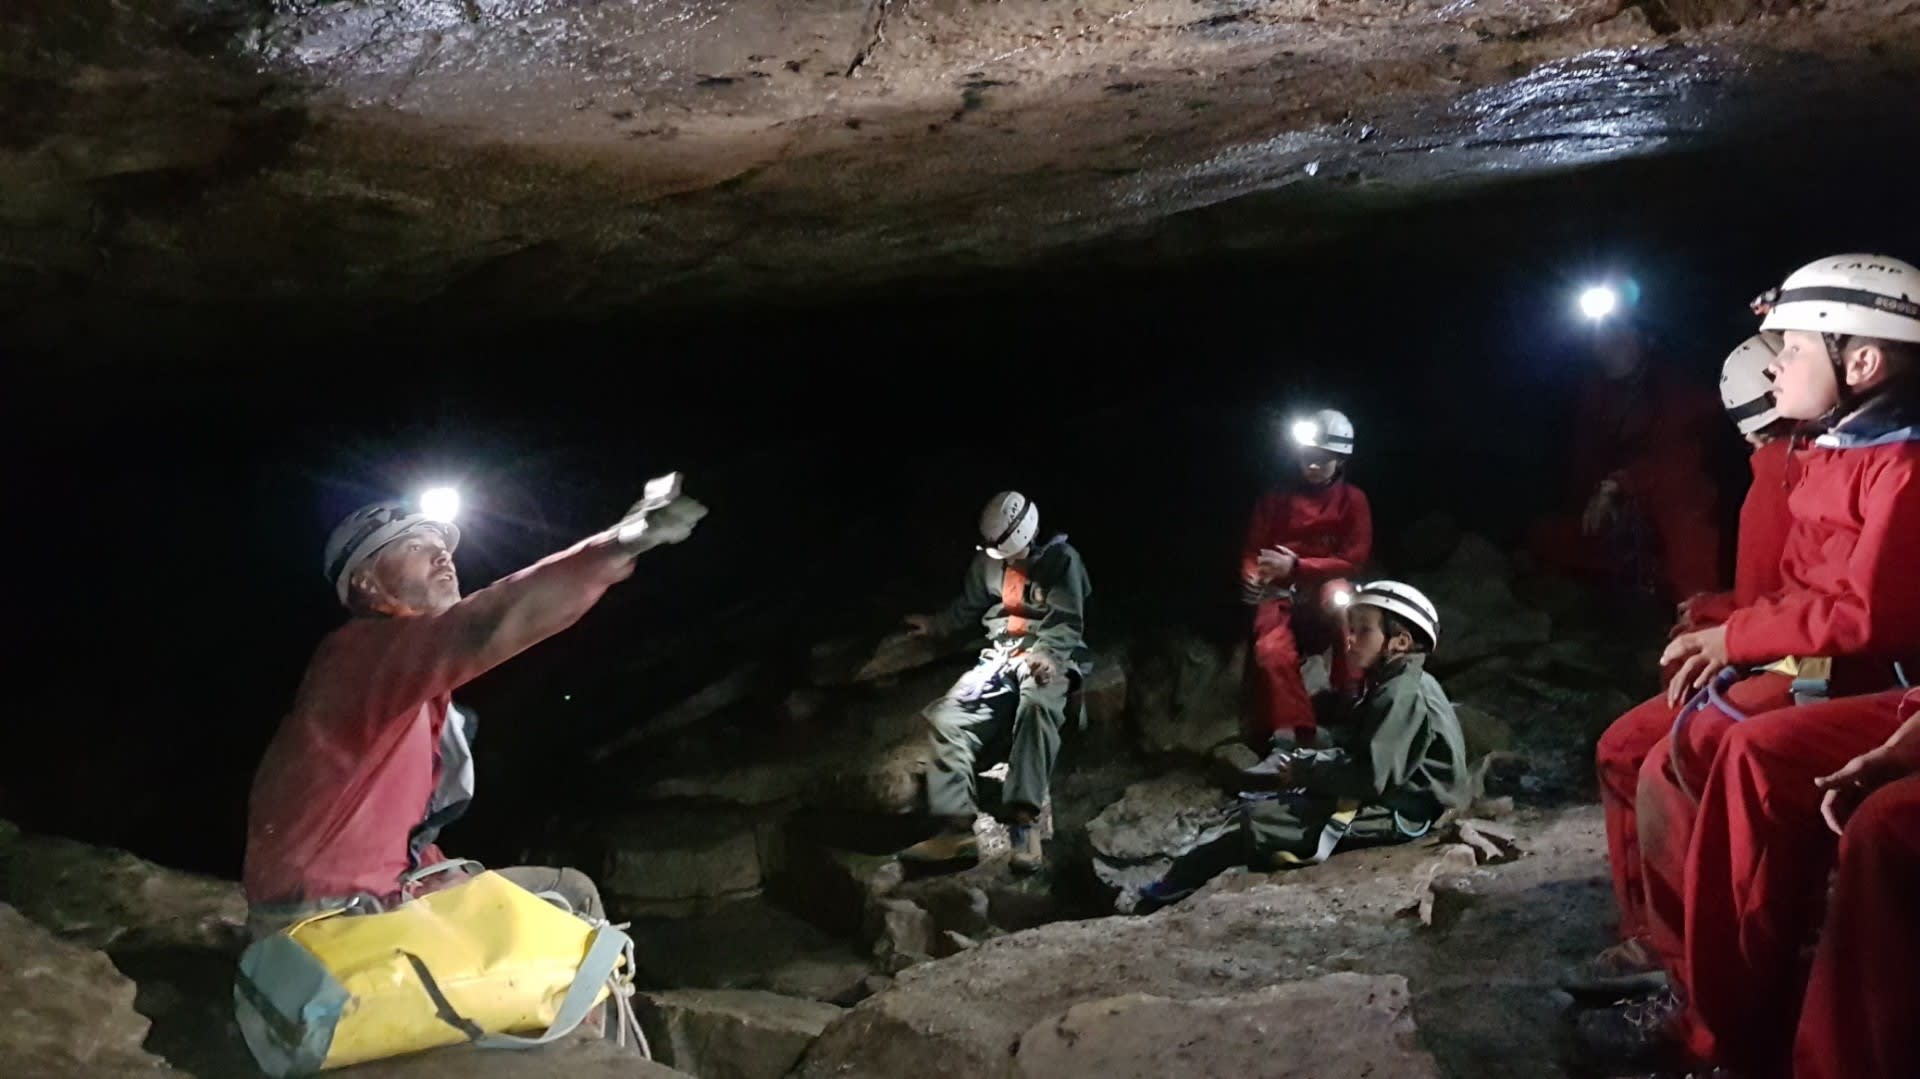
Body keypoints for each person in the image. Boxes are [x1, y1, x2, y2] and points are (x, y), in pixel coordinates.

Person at [1575, 254, 1920, 1066]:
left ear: (1861, 363)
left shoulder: (1900, 468)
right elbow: (1801, 588)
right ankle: (1698, 985)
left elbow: (1868, 613)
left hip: (1881, 680)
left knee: (1748, 760)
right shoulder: (1837, 454)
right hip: (1843, 670)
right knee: (1670, 754)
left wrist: (1735, 639)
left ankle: (1726, 1026)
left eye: (1791, 349)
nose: (1776, 364)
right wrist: (1726, 630)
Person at [243, 486, 708, 939]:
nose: (442, 556)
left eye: (442, 547)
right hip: (336, 917)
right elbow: (490, 621)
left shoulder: (395, 682)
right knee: (570, 897)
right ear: (367, 583)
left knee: (539, 898)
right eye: (415, 546)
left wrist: (442, 875)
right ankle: (589, 1020)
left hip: (339, 901)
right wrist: (616, 545)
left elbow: (384, 836)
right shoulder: (360, 655)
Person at [1575, 333, 1801, 997]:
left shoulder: (1786, 473)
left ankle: (1673, 955)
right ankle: (1664, 942)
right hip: (1781, 656)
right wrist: (1717, 613)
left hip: (1797, 671)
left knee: (1637, 754)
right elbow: (1788, 595)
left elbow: (1817, 610)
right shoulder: (1789, 469)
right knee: (1637, 746)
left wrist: (1725, 631)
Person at [1138, 581, 1469, 908]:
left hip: (1408, 811)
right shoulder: (1399, 682)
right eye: (1351, 629)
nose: (1350, 640)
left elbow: (1371, 778)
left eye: (1363, 631)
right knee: (1271, 805)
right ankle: (1175, 884)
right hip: (1401, 795)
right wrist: (1314, 763)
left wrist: (1307, 770)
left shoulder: (1402, 694)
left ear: (1399, 642)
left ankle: (1161, 896)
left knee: (1257, 822)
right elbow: (1370, 754)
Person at [899, 491, 1091, 874]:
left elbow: (1068, 623)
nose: (998, 556)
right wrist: (936, 625)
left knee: (1037, 706)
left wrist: (1048, 657)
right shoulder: (989, 562)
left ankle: (1024, 823)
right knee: (947, 718)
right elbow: (967, 607)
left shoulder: (1061, 562)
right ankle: (956, 831)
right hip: (1002, 654)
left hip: (1050, 655)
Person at [1527, 311, 1723, 605]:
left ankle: (1698, 609)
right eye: (1599, 337)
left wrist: (1617, 484)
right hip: (1625, 509)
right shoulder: (1596, 391)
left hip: (1680, 504)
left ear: (1647, 339)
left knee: (1684, 505)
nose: (1606, 346)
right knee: (1548, 536)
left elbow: (1678, 462)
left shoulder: (1679, 387)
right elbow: (1585, 462)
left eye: (1619, 336)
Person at [1241, 408, 1372, 749]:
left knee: (1343, 601)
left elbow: (1353, 560)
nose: (1312, 466)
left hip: (1324, 586)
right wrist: (1252, 576)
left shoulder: (1352, 500)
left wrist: (1298, 566)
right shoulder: (1275, 498)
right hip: (1280, 590)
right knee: (1269, 647)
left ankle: (1351, 691)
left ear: (1341, 461)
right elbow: (1253, 550)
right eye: (1307, 458)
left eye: (1323, 460)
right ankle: (1293, 729)